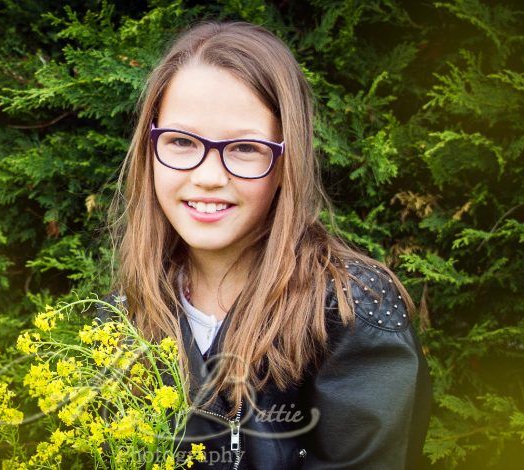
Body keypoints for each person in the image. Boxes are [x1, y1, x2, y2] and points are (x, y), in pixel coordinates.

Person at [98, 21, 431, 469]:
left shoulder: (353, 315)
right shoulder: (122, 315)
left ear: (285, 161)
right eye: (180, 141)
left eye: (244, 149)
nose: (209, 176)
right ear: (149, 148)